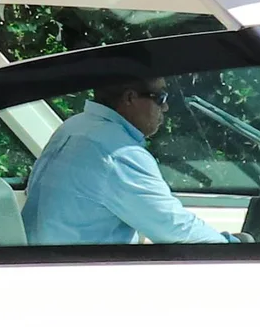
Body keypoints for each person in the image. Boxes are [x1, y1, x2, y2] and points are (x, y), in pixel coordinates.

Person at [21, 71, 230, 246]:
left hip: (47, 264)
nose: (165, 107)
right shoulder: (118, 151)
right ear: (130, 98)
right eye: (160, 98)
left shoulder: (75, 126)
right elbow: (173, 229)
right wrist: (232, 246)